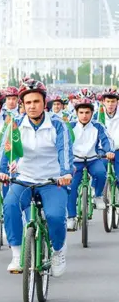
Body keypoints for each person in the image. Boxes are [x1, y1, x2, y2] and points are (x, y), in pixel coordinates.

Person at [0, 78, 72, 276]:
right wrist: (0, 170)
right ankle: (17, 253)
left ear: (44, 103)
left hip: (52, 181)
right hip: (25, 178)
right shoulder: (15, 124)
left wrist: (65, 174)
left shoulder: (57, 124)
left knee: (55, 216)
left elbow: (65, 151)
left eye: (36, 101)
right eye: (28, 103)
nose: (32, 106)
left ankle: (57, 251)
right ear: (23, 104)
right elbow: (5, 149)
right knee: (10, 205)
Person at [67, 96, 113, 229]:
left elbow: (106, 140)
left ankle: (97, 195)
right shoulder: (70, 126)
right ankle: (71, 217)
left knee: (101, 173)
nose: (84, 115)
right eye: (81, 112)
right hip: (76, 161)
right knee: (71, 188)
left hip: (93, 159)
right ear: (76, 113)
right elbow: (63, 143)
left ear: (92, 113)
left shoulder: (98, 126)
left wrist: (109, 151)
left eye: (87, 112)